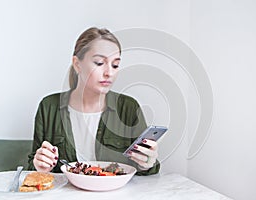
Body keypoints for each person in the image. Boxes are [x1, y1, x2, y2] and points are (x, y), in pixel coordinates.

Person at [27, 27, 160, 175]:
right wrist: (40, 166)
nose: (109, 73)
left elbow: (147, 172)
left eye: (115, 65)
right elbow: (32, 167)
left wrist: (147, 163)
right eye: (99, 63)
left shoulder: (128, 107)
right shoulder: (49, 107)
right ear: (77, 64)